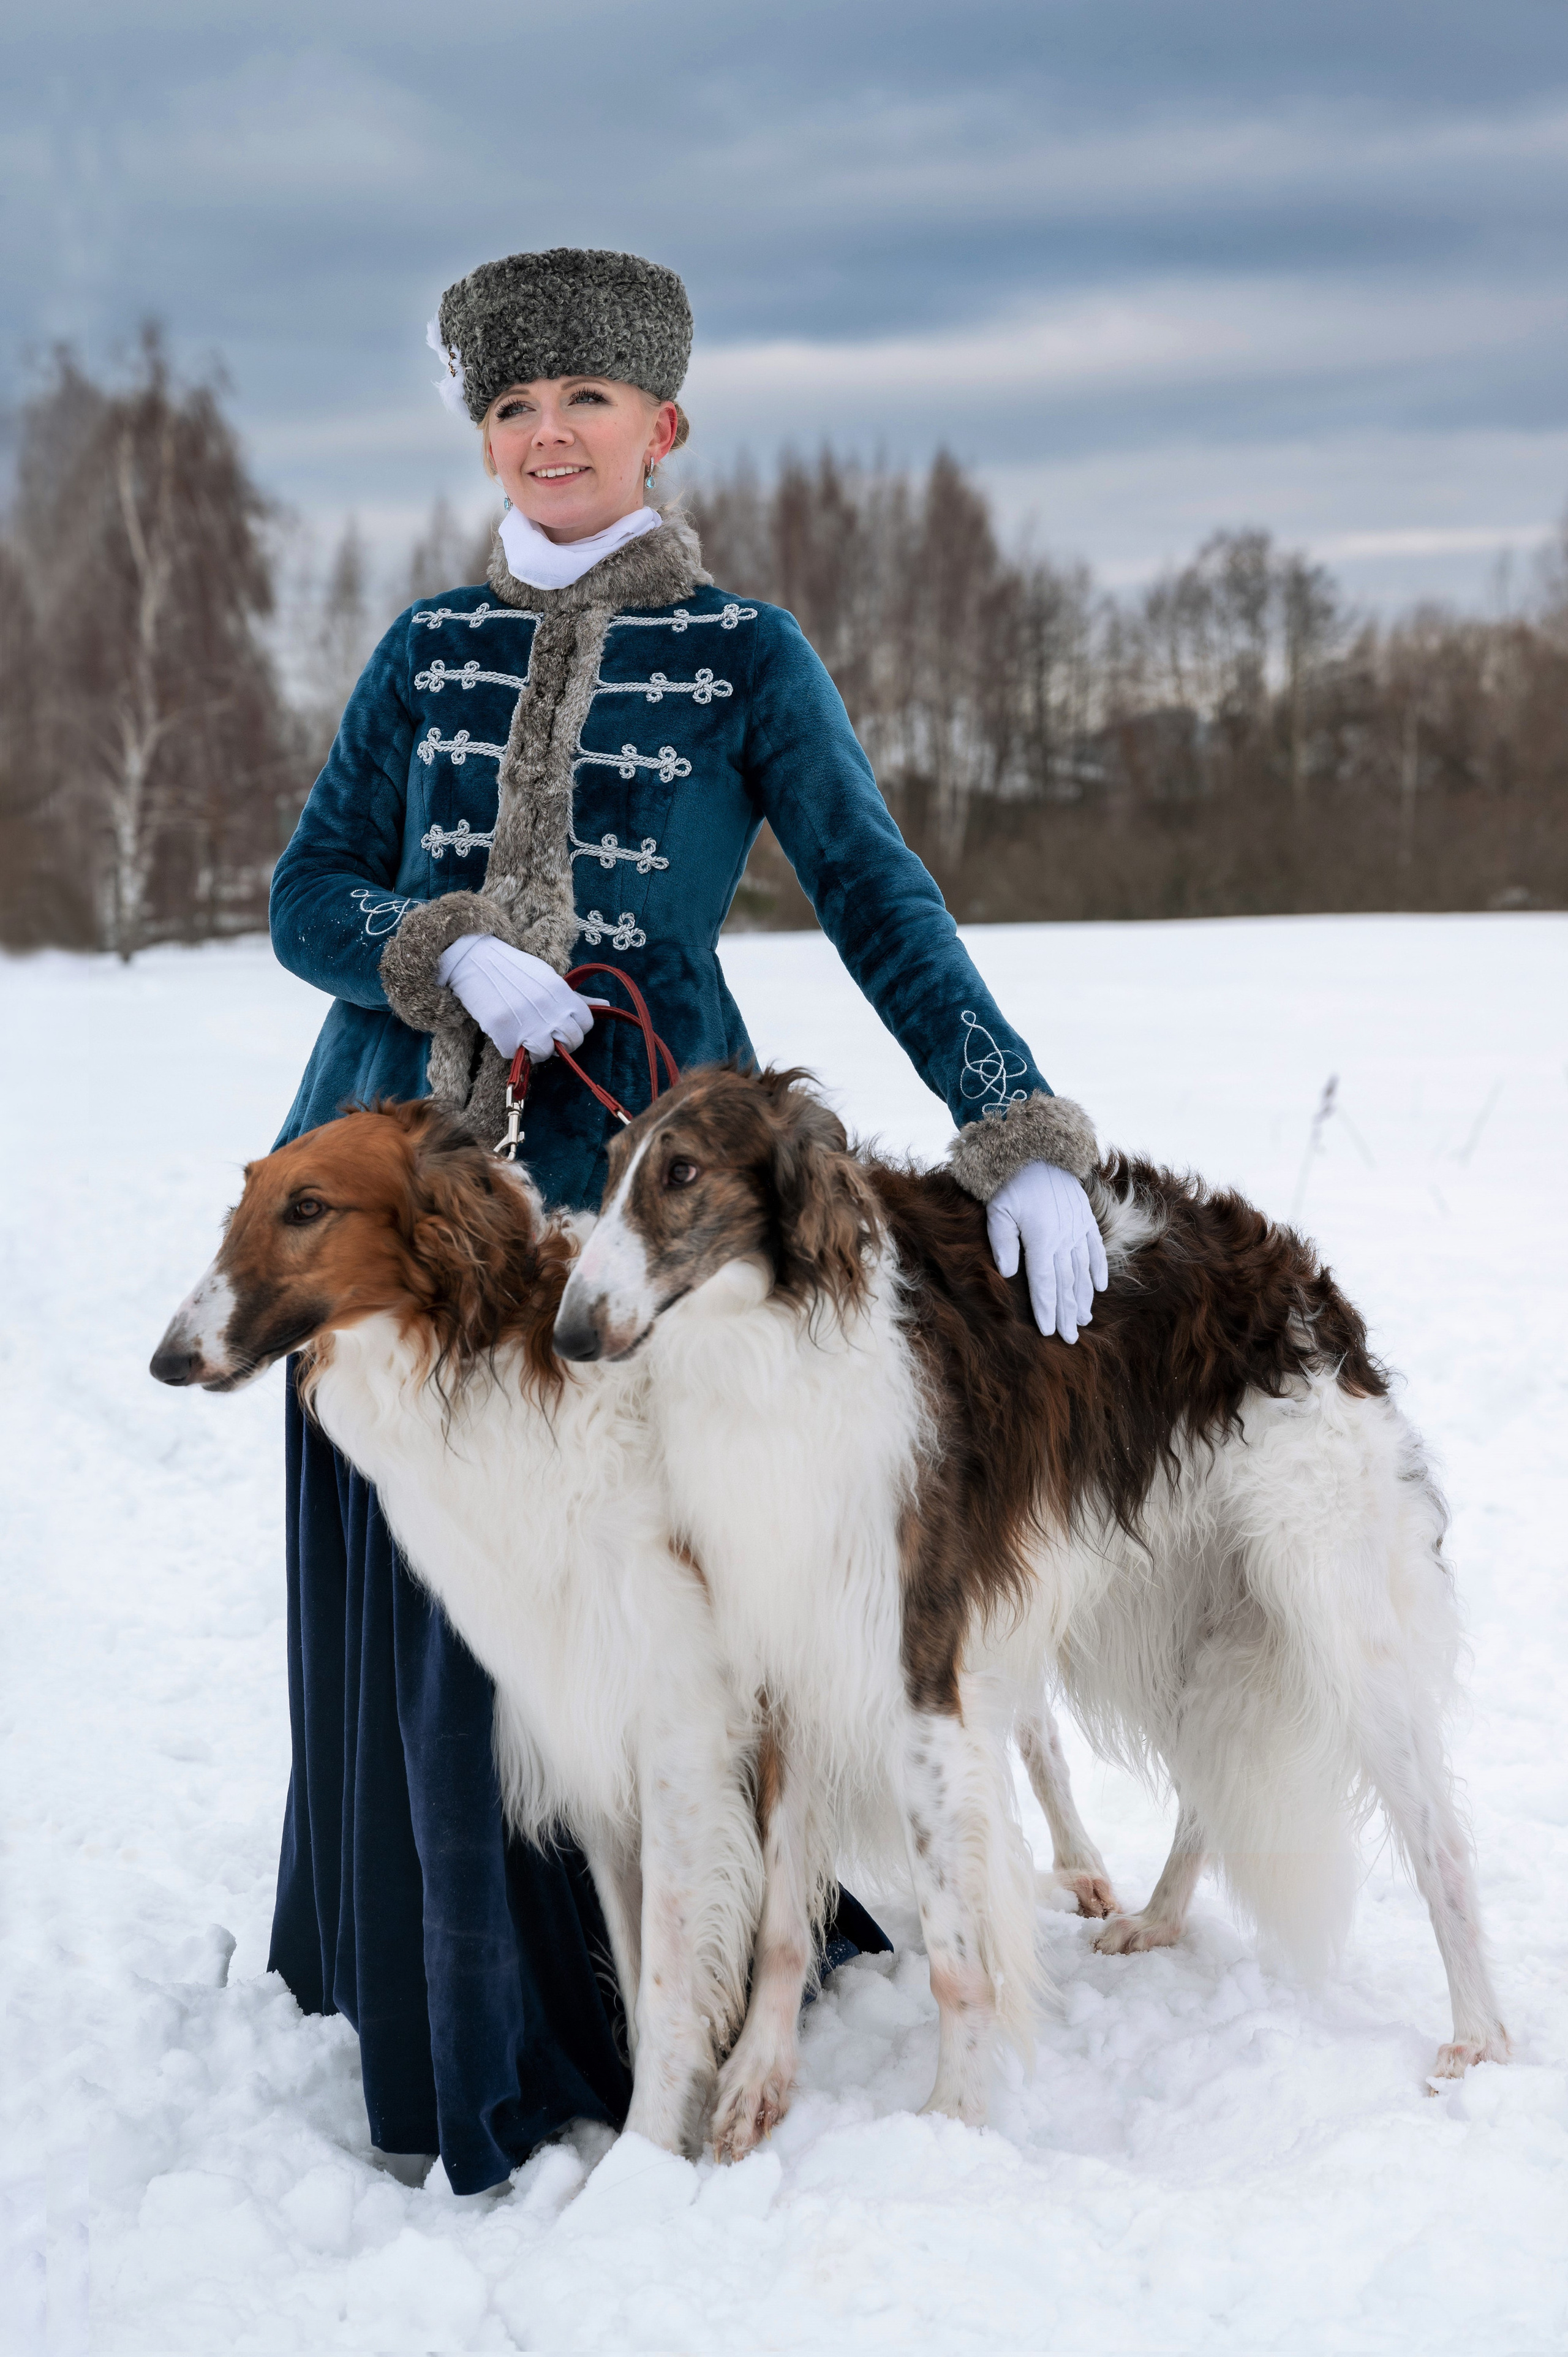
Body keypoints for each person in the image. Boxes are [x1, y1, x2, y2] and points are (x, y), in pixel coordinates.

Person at [266, 246, 1108, 2194]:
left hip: (638, 1230)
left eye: (583, 403)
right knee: (449, 1625)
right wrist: (444, 955)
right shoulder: (420, 652)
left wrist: (1019, 1127)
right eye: (509, 407)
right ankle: (451, 2004)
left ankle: (679, 1986)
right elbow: (304, 897)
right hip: (396, 1212)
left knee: (652, 1624)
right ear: (482, 430)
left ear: (665, 426)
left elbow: (880, 898)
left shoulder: (747, 656)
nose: (545, 436)